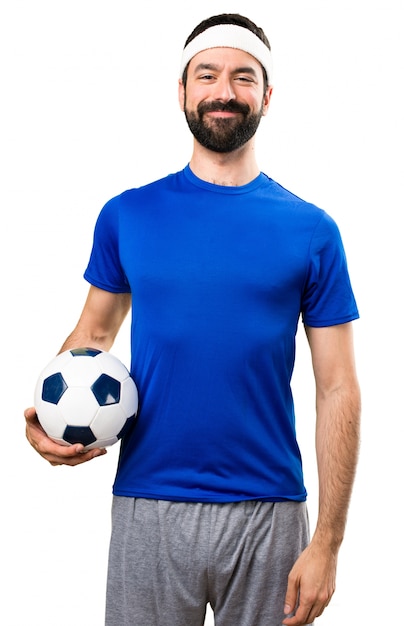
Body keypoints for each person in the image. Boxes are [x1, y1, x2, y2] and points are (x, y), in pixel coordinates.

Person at [25, 12, 361, 626]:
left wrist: (330, 543)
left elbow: (338, 385)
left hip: (270, 512)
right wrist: (47, 415)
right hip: (146, 503)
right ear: (182, 90)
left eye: (243, 76)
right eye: (206, 74)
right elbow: (94, 336)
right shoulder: (128, 214)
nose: (224, 91)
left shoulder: (312, 230)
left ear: (267, 94)